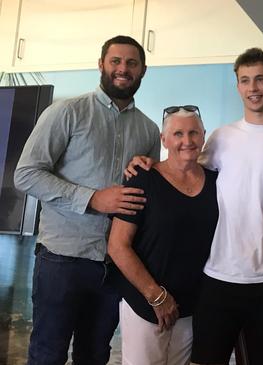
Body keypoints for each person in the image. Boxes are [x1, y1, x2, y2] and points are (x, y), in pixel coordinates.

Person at [126, 48, 263, 364]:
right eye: (245, 80)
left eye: (261, 79)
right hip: (216, 279)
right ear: (237, 86)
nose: (253, 88)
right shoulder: (222, 138)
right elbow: (184, 166)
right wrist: (150, 164)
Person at [13, 35, 160, 364]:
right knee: (48, 354)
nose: (123, 69)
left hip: (114, 267)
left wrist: (153, 174)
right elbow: (25, 174)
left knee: (95, 356)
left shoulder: (149, 131)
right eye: (116, 61)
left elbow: (145, 199)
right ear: (101, 65)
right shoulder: (65, 112)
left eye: (131, 63)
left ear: (143, 71)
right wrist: (92, 198)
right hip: (62, 261)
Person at [108, 107, 217, 365]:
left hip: (191, 307)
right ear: (164, 139)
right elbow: (117, 246)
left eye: (193, 133)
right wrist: (156, 296)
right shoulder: (142, 179)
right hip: (146, 304)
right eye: (177, 133)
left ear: (204, 136)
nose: (186, 141)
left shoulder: (216, 182)